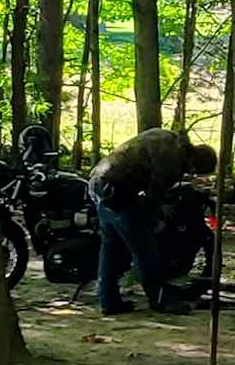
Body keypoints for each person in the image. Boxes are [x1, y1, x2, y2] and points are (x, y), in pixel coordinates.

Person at [90, 124, 216, 313]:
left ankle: (108, 301)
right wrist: (157, 214)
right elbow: (154, 193)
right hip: (117, 192)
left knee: (111, 247)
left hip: (98, 181)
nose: (191, 175)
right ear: (194, 164)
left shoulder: (168, 137)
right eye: (194, 172)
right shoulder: (173, 161)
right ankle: (159, 300)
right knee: (146, 249)